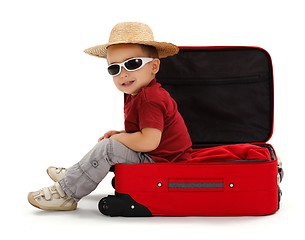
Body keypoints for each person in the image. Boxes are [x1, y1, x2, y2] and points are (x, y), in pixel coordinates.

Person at [28, 22, 192, 211]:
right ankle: (77, 173)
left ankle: (67, 193)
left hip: (164, 164)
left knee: (109, 148)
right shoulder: (140, 93)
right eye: (114, 68)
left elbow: (149, 142)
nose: (122, 74)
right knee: (111, 142)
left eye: (132, 64)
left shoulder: (150, 99)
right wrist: (122, 133)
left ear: (154, 66)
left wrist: (119, 138)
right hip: (159, 157)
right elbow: (148, 131)